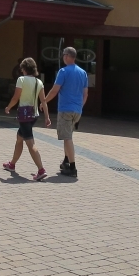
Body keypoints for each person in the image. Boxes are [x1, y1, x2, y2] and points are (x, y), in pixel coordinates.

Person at [41, 46, 89, 178]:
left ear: (68, 56)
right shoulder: (83, 73)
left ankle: (72, 168)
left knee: (67, 138)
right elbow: (85, 94)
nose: (63, 57)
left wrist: (44, 101)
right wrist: (80, 107)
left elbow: (55, 90)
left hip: (65, 109)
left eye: (63, 55)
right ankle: (66, 161)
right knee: (68, 135)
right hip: (77, 110)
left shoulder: (63, 71)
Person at [2, 57, 51, 180]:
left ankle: (41, 170)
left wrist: (8, 107)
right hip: (34, 116)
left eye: (22, 69)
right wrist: (47, 117)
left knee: (30, 143)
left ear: (24, 69)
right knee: (19, 138)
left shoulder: (21, 80)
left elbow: (16, 97)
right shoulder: (38, 82)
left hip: (24, 116)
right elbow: (43, 101)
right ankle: (12, 164)